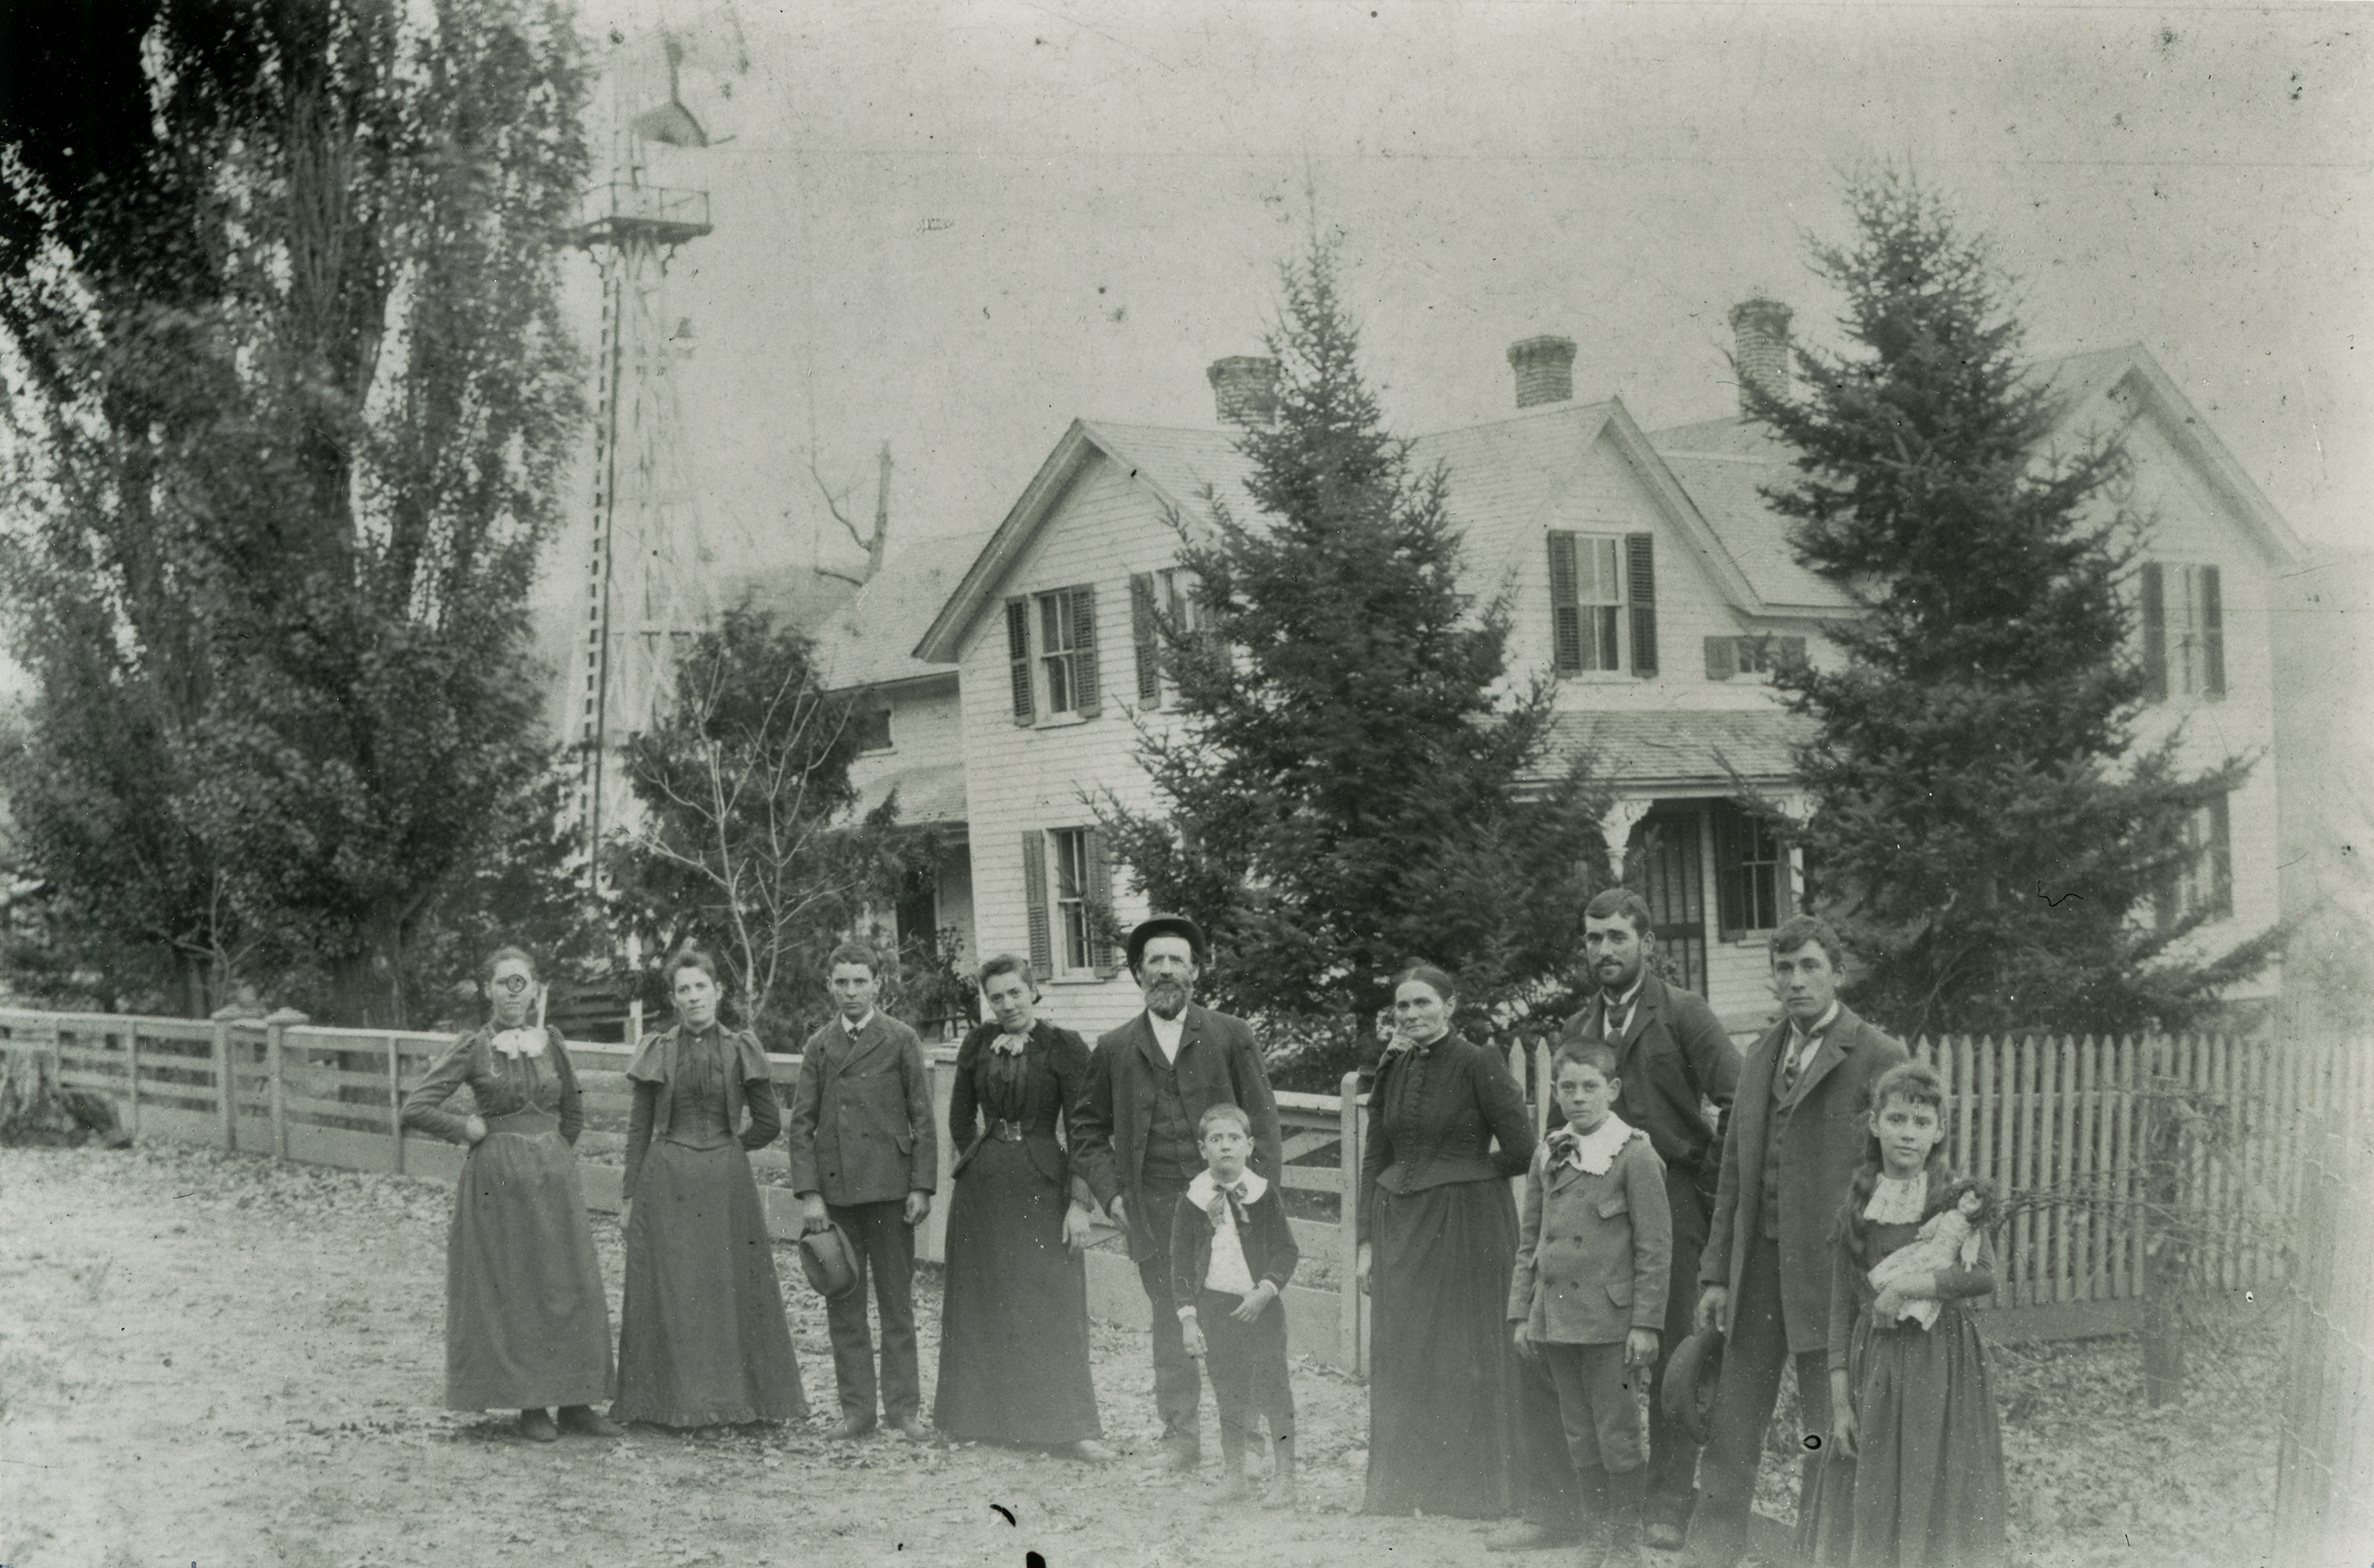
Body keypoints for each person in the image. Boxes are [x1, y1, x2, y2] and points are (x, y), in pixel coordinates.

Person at [1511, 888, 1740, 1552]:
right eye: (1593, 939)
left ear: (1647, 942)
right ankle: (1582, 1510)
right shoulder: (1581, 1029)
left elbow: (1740, 1098)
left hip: (1674, 1210)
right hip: (1595, 1216)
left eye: (1617, 936)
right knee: (1580, 1356)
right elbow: (1561, 1130)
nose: (1604, 950)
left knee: (1668, 1352)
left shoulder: (1684, 1015)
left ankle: (1668, 1501)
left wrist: (1701, 1171)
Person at [1684, 916, 1908, 1568]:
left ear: (1836, 972)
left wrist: (1878, 1271)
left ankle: (1822, 1551)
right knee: (1734, 1414)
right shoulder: (1758, 1054)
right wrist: (1718, 1275)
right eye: (1784, 969)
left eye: (1810, 966)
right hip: (1756, 1271)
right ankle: (1712, 1546)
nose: (1796, 980)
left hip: (1831, 1278)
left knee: (1822, 1424)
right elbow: (1733, 1173)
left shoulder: (1877, 1055)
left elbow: (1903, 1173)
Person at [1075, 914, 1281, 1471]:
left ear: (1196, 970)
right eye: (1154, 961)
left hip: (1229, 1209)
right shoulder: (1115, 1047)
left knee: (1239, 1322)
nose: (1166, 970)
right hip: (1155, 1211)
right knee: (1172, 1323)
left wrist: (1255, 1198)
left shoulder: (1229, 1035)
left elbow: (1263, 1119)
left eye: (1177, 960)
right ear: (1137, 972)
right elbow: (1087, 1131)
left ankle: (1251, 1444)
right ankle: (1181, 1439)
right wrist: (1113, 1196)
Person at [401, 945, 619, 1441]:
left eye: (522, 982)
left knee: (569, 1285)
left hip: (554, 1183)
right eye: (503, 983)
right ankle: (531, 1405)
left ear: (536, 989)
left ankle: (578, 1402)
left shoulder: (552, 1043)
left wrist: (550, 1155)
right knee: (519, 1287)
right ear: (487, 990)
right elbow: (415, 1107)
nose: (513, 993)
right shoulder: (473, 1047)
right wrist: (465, 1127)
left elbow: (575, 1113)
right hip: (496, 1186)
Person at [1799, 1062, 2009, 1567]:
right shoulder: (1857, 1205)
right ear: (1875, 1125)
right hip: (1878, 1366)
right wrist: (1840, 1404)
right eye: (1896, 1120)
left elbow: (1983, 1275)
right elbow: (1840, 1309)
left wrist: (1908, 1286)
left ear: (1938, 1131)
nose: (1908, 1134)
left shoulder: (1954, 1200)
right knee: (1873, 1489)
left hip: (1943, 1364)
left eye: (1921, 1123)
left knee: (1936, 1485)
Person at [1356, 961, 1538, 1521]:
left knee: (1463, 1354)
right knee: (1405, 1351)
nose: (1411, 1015)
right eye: (1402, 1006)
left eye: (1422, 1004)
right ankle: (1401, 1490)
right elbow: (1376, 1155)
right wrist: (1365, 1242)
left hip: (1467, 1226)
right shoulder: (1393, 1066)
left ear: (1450, 1006)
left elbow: (1522, 1147)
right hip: (1401, 1228)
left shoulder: (1479, 1061)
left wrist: (1463, 1170)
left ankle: (1471, 1495)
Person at [613, 947, 806, 1428]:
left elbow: (767, 1122)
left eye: (702, 986)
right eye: (684, 989)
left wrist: (730, 1148)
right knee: (675, 1287)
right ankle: (670, 1403)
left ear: (718, 991)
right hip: (667, 1181)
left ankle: (740, 1402)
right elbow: (639, 1130)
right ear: (674, 999)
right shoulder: (658, 1049)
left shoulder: (741, 1046)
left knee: (730, 1286)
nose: (694, 997)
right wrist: (628, 1196)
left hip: (726, 1186)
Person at [931, 953, 1113, 1460]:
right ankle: (976, 1418)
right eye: (996, 997)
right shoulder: (977, 1044)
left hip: (1042, 1185)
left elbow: (1084, 1128)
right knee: (980, 1295)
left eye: (1015, 993)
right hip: (984, 1188)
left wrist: (1080, 1203)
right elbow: (960, 1118)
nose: (1007, 1004)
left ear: (1033, 991)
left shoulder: (1064, 1046)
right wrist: (976, 1160)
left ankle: (1066, 1428)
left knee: (1048, 1302)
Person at [1508, 1043, 1672, 1568]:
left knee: (1617, 1431)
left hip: (1611, 1324)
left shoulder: (1634, 1154)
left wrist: (1645, 1323)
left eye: (1589, 1087)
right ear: (1554, 1093)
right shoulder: (1549, 1150)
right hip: (1557, 1321)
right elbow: (1530, 1239)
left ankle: (1627, 1540)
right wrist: (1522, 1313)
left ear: (1613, 1090)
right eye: (1568, 1088)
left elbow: (1655, 1247)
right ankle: (1597, 1534)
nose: (1578, 1098)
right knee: (1578, 1432)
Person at [787, 941, 938, 1441]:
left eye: (860, 981)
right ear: (829, 986)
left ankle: (903, 1411)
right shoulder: (820, 1046)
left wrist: (921, 1185)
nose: (851, 992)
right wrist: (810, 1194)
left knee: (897, 1305)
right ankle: (857, 1413)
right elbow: (801, 1124)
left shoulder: (901, 1038)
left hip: (892, 1191)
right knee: (844, 1305)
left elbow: (922, 1117)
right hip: (837, 1196)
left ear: (878, 984)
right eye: (841, 982)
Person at [1171, 1102, 1300, 1505]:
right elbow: (1179, 1266)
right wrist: (1190, 1320)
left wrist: (1266, 1290)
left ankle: (1286, 1478)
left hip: (1259, 1309)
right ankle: (1234, 1476)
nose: (1225, 1146)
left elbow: (1286, 1252)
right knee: (1228, 1391)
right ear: (1202, 1148)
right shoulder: (1192, 1200)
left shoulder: (1264, 1195)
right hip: (1216, 1309)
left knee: (1273, 1389)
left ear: (1248, 1145)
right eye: (1215, 1139)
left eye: (1233, 1139)